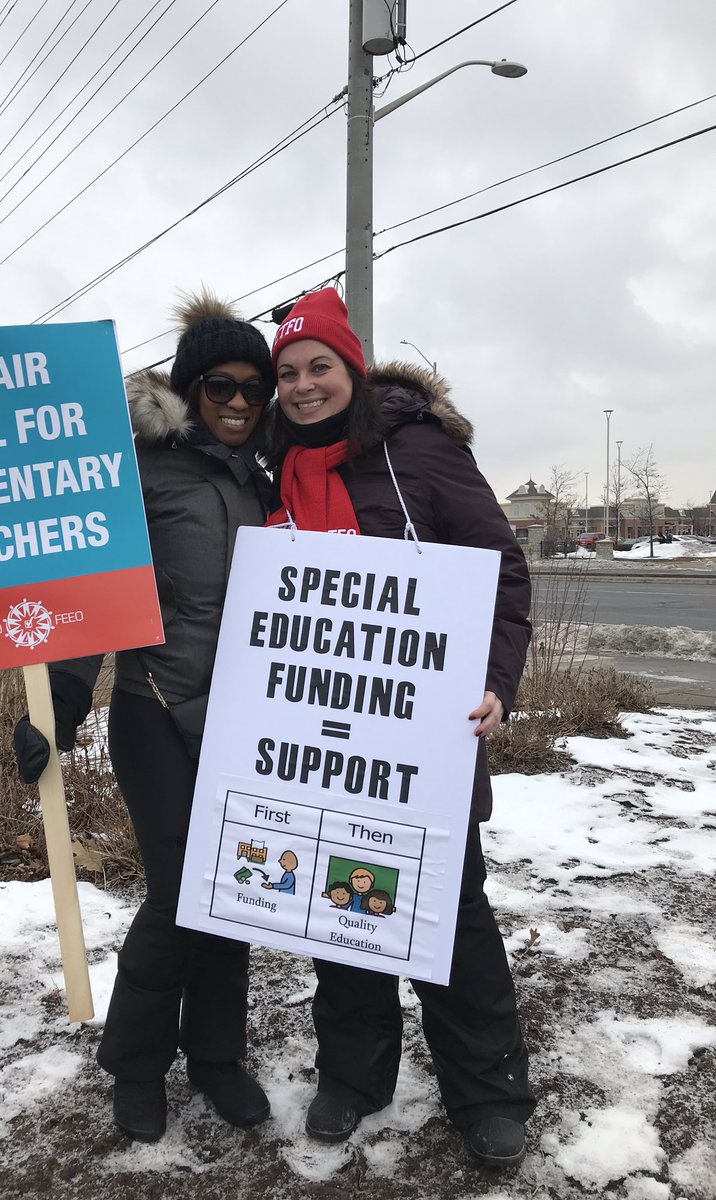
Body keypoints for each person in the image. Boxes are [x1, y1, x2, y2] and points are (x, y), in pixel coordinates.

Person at [265, 288, 535, 1167]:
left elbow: (502, 571)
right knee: (341, 913)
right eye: (289, 373)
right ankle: (353, 1076)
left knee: (450, 916)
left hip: (424, 741)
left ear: (351, 367)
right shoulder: (276, 465)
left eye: (319, 368)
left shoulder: (420, 451)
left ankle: (489, 1094)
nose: (304, 387)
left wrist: (497, 683)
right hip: (324, 743)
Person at [13, 293, 276, 1143]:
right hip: (155, 711)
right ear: (191, 389)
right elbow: (96, 600)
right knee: (176, 892)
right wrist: (58, 701)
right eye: (221, 387)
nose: (240, 402)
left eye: (254, 387)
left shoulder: (265, 478)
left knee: (235, 893)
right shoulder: (137, 471)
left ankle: (217, 1057)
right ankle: (135, 1064)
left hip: (241, 721)